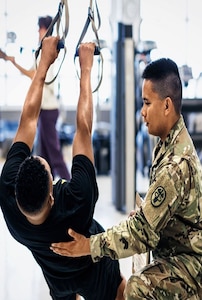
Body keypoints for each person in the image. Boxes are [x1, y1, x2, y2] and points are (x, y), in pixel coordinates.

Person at [50, 58, 202, 299]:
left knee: (137, 288)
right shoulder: (167, 142)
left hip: (190, 264)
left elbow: (140, 234)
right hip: (175, 249)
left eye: (146, 103)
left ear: (166, 105)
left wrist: (88, 246)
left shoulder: (175, 165)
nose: (142, 112)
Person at [0, 38, 126, 300]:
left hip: (57, 278)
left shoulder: (11, 205)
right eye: (51, 176)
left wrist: (43, 64)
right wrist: (86, 68)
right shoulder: (77, 198)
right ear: (51, 195)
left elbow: (27, 121)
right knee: (120, 293)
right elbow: (83, 130)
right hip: (96, 270)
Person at [4, 15, 70, 180]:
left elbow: (35, 74)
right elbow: (32, 74)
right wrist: (11, 61)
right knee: (44, 155)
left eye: (40, 28)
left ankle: (70, 186)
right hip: (44, 110)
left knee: (54, 153)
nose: (38, 32)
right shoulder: (41, 52)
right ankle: (50, 187)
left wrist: (13, 62)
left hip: (49, 110)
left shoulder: (49, 52)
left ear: (45, 29)